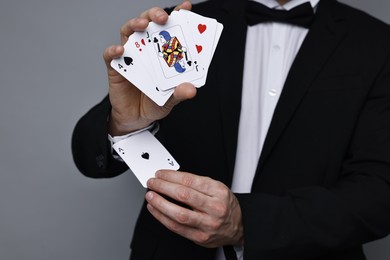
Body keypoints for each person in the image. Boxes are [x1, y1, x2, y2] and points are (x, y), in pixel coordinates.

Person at [71, 0, 390, 259]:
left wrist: (246, 223)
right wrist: (125, 123)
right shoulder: (180, 24)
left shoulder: (377, 44)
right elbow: (88, 156)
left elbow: (380, 193)